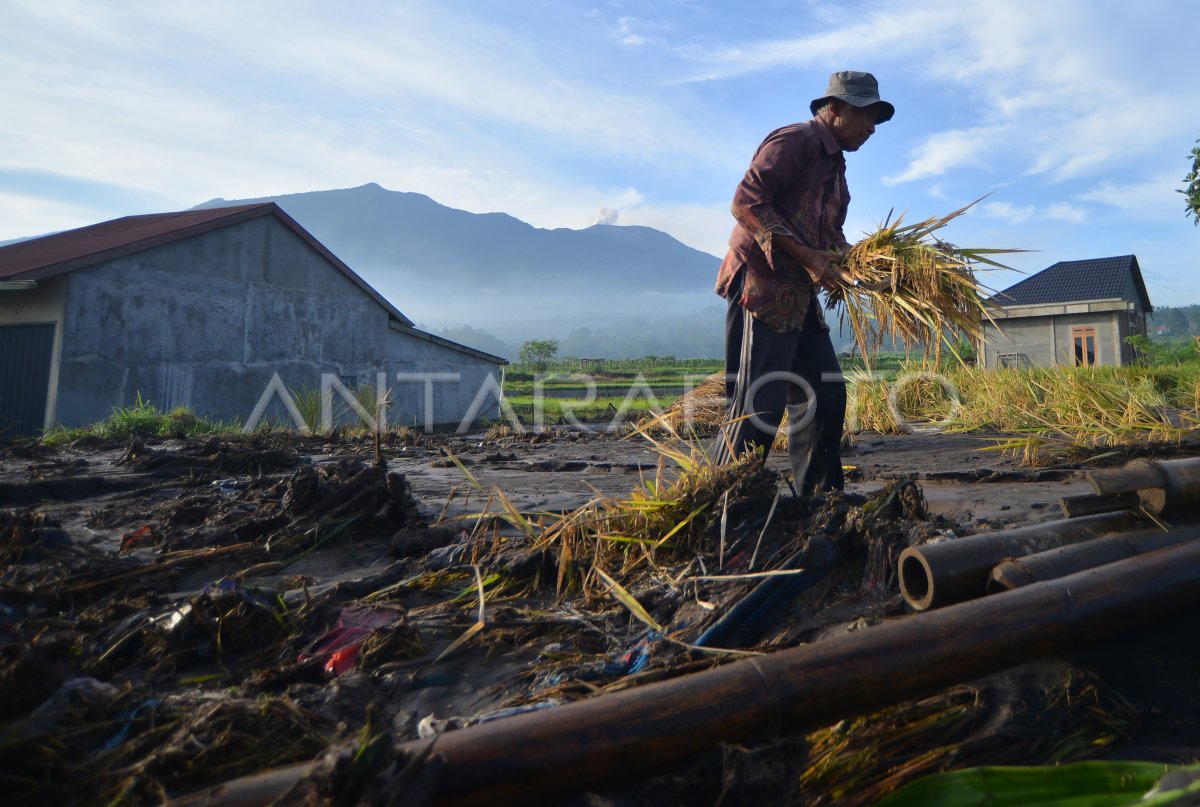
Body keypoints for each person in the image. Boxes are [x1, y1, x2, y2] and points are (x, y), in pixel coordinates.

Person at [713, 71, 894, 495]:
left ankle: (819, 504)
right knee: (758, 406)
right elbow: (745, 201)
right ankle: (722, 503)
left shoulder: (837, 174)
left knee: (826, 396)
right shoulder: (795, 141)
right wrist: (809, 256)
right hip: (762, 288)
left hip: (799, 298)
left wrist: (863, 270)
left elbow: (830, 239)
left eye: (876, 120)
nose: (871, 128)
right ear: (834, 109)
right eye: (865, 115)